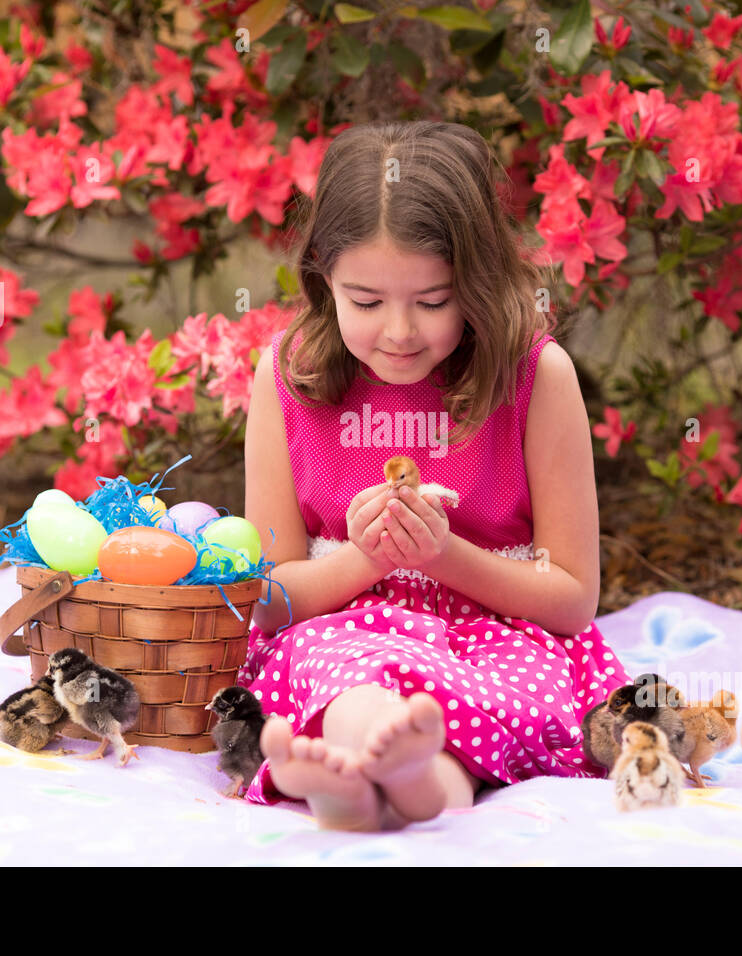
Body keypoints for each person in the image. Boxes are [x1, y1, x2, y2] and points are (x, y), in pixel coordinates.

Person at [238, 120, 631, 830]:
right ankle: (360, 764)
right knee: (345, 673)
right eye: (365, 302)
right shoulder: (287, 377)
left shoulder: (535, 378)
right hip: (345, 627)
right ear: (323, 271)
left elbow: (572, 600)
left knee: (502, 698)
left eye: (432, 302)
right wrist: (369, 558)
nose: (398, 332)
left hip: (503, 635)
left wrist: (440, 556)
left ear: (475, 280)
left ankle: (419, 782)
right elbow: (269, 598)